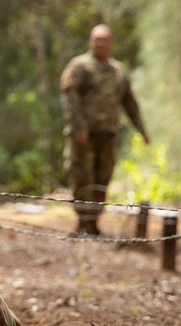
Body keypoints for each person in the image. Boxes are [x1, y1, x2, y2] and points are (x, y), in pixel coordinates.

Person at [60, 24, 150, 235]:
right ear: (91, 41)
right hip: (83, 136)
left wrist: (143, 131)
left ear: (111, 43)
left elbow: (129, 103)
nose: (100, 43)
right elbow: (70, 98)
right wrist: (78, 128)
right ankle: (83, 223)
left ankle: (94, 224)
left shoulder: (118, 71)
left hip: (108, 135)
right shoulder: (79, 67)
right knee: (82, 178)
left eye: (104, 39)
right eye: (96, 39)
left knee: (102, 180)